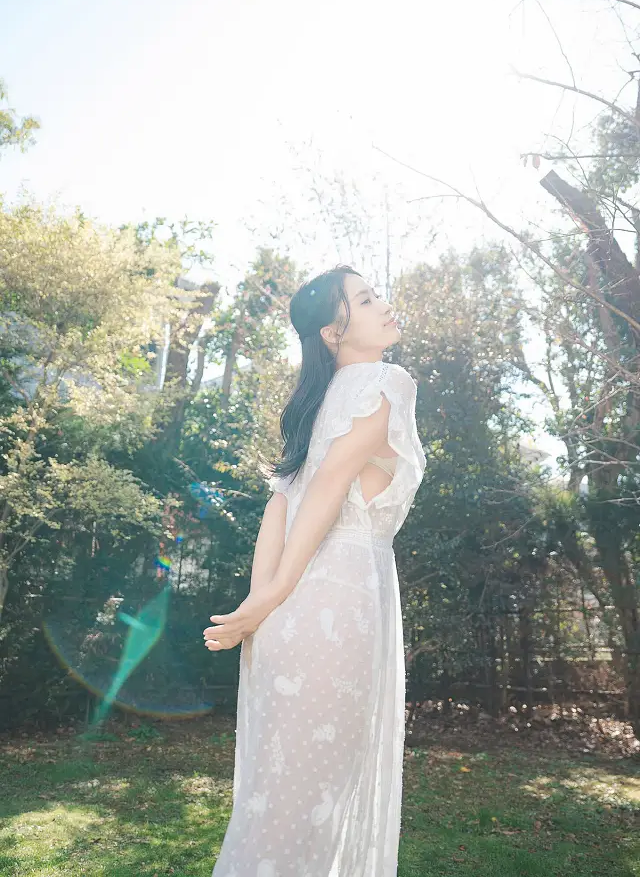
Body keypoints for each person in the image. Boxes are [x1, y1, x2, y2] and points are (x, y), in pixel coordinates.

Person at [203, 264, 426, 877]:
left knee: (274, 802)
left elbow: (280, 508)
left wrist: (260, 605)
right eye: (365, 299)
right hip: (336, 607)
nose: (383, 304)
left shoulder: (315, 408)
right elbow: (327, 485)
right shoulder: (388, 380)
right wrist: (266, 598)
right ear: (333, 332)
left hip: (288, 615)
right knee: (306, 810)